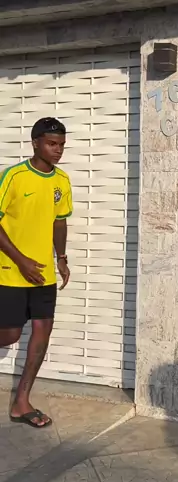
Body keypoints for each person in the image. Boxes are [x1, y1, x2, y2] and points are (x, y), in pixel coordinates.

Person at [0, 118, 72, 428]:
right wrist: (21, 261)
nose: (58, 150)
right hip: (10, 272)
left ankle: (22, 402)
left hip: (44, 274)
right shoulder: (13, 177)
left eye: (61, 145)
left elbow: (59, 221)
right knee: (10, 334)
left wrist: (62, 258)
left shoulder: (62, 180)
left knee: (43, 331)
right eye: (52, 144)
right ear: (35, 143)